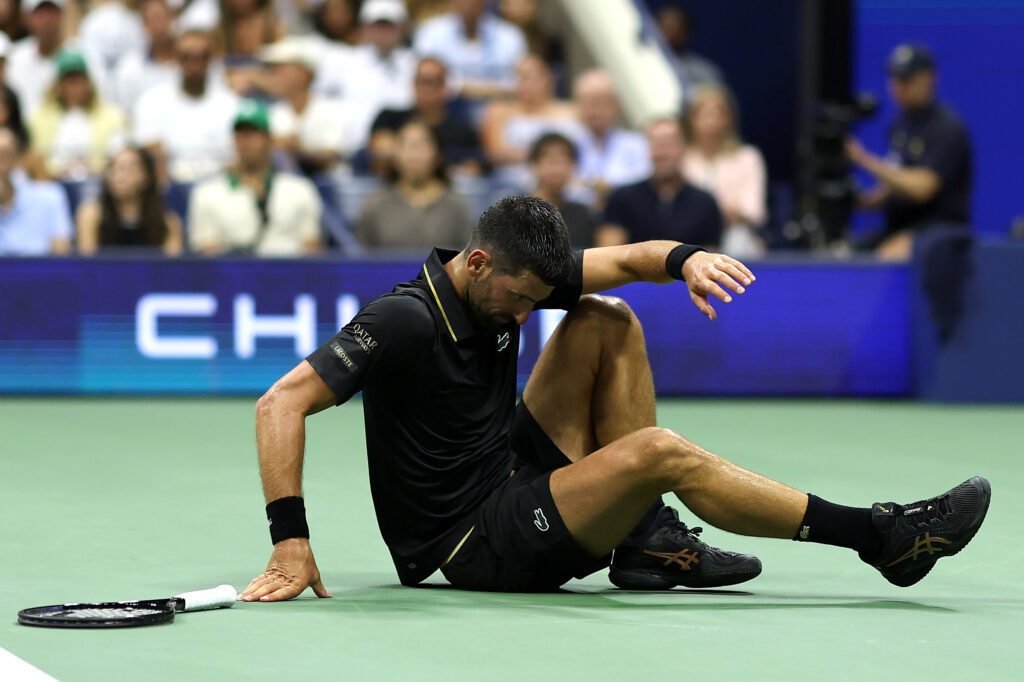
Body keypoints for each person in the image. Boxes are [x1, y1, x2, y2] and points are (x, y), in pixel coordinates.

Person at [239, 193, 990, 599]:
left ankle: (649, 543)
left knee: (607, 317)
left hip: (505, 467)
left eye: (538, 297)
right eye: (521, 299)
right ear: (474, 263)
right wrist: (290, 541)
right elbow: (280, 403)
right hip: (473, 541)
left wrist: (690, 259)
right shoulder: (403, 319)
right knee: (659, 453)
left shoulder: (506, 278)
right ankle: (882, 537)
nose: (529, 313)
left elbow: (630, 261)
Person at [847, 44, 973, 262]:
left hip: (940, 230)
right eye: (894, 79)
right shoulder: (900, 126)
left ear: (929, 78)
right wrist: (865, 201)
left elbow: (923, 187)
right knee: (846, 254)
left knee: (890, 255)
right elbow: (895, 183)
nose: (898, 87)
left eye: (906, 79)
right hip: (899, 226)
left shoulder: (947, 128)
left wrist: (864, 160)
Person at [188, 100, 322, 256]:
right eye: (240, 135)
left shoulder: (300, 189)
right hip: (232, 275)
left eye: (254, 134)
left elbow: (311, 250)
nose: (246, 141)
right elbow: (207, 252)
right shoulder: (207, 193)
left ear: (270, 140)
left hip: (287, 274)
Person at [132, 28, 239, 183]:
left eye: (202, 57)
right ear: (176, 58)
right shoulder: (152, 102)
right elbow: (147, 153)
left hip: (219, 188)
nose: (194, 64)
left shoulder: (231, 105)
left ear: (212, 60)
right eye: (186, 57)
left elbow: (235, 159)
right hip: (169, 188)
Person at [597, 118, 722, 248]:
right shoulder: (622, 198)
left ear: (684, 147)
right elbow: (608, 252)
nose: (662, 153)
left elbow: (710, 258)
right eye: (655, 144)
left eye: (668, 144)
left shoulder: (704, 203)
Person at [316, 0, 416, 153]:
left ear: (401, 29)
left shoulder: (414, 64)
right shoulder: (344, 60)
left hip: (404, 152)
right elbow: (319, 100)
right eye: (377, 26)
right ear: (365, 28)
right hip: (353, 149)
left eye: (389, 26)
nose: (383, 33)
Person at [356, 118, 472, 249]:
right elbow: (362, 261)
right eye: (406, 145)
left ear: (438, 154)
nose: (414, 154)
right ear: (394, 154)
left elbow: (467, 260)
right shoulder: (375, 206)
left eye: (422, 145)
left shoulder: (456, 206)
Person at [682, 84, 767, 259]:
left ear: (728, 119)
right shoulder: (682, 159)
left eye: (717, 114)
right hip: (688, 235)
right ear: (692, 119)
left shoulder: (747, 157)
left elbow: (753, 211)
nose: (711, 122)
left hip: (734, 235)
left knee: (738, 239)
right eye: (705, 114)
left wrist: (714, 212)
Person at [480, 53, 583, 189]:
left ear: (548, 79)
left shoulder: (572, 110)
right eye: (518, 77)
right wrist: (548, 159)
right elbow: (495, 154)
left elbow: (583, 149)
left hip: (568, 182)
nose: (524, 84)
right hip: (515, 185)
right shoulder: (499, 111)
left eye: (530, 77)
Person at [369, 56, 482, 177]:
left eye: (434, 81)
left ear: (445, 87)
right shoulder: (389, 118)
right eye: (422, 81)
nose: (427, 88)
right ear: (413, 84)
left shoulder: (463, 131)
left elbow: (473, 169)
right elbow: (380, 149)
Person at [29, 50, 126, 179]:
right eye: (69, 81)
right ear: (58, 85)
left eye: (79, 81)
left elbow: (117, 157)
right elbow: (35, 158)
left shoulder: (112, 117)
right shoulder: (39, 118)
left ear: (88, 83)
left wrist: (93, 168)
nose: (74, 87)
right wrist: (58, 171)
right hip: (53, 183)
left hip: (98, 182)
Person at [264, 37, 355, 173]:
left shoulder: (331, 110)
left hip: (327, 187)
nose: (274, 76)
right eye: (273, 71)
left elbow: (332, 156)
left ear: (304, 74)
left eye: (281, 70)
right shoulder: (274, 113)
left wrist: (299, 149)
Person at [75, 145, 183, 254]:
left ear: (147, 176)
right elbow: (88, 264)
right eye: (114, 168)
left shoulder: (168, 222)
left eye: (129, 169)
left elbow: (171, 266)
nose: (120, 176)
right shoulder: (91, 215)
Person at [7, 0, 107, 116]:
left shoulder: (86, 56)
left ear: (63, 15)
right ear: (27, 17)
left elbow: (101, 104)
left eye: (52, 12)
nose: (46, 20)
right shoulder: (14, 57)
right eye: (40, 13)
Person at [413, 0, 527, 100]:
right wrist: (491, 89)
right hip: (446, 111)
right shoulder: (431, 32)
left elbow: (520, 83)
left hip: (498, 109)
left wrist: (460, 87)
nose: (469, 3)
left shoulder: (510, 35)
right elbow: (425, 80)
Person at [572, 68, 650, 205]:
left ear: (616, 105)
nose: (594, 111)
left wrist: (605, 187)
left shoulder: (637, 144)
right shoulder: (569, 143)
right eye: (587, 103)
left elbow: (644, 185)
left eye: (600, 103)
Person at [0, 126, 71, 255]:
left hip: (40, 273)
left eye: (4, 155)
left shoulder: (50, 196)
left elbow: (61, 257)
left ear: (18, 158)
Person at [112, 0, 184, 115]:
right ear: (143, 25)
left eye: (162, 18)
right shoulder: (129, 69)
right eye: (153, 19)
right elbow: (126, 111)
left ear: (173, 19)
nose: (159, 25)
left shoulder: (192, 61)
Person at [529, 132, 595, 248]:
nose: (558, 170)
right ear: (534, 165)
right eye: (551, 162)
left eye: (564, 162)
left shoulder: (581, 213)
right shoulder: (517, 212)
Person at [656, 5, 723, 107]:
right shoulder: (639, 67)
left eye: (671, 28)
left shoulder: (703, 72)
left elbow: (716, 107)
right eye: (661, 26)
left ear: (684, 33)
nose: (664, 34)